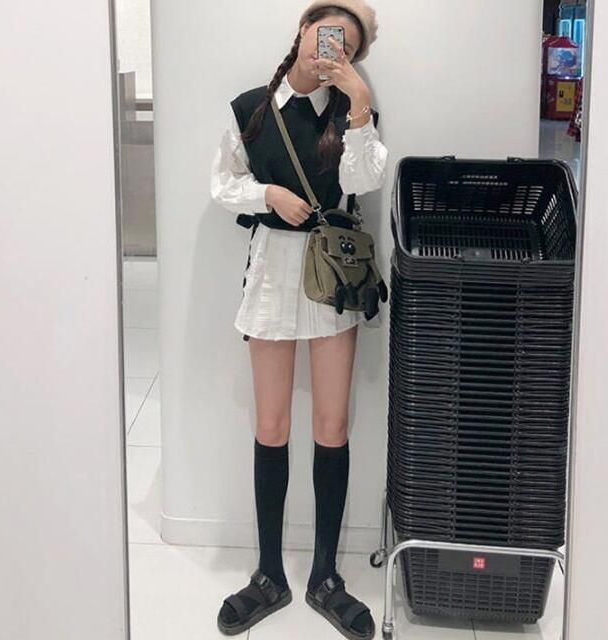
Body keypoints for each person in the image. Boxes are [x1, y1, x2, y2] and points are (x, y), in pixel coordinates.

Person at [210, 1, 387, 638]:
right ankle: (268, 575)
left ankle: (325, 577)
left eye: (349, 43)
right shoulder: (251, 108)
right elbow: (222, 182)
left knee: (332, 426)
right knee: (272, 424)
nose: (332, 45)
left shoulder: (352, 111)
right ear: (305, 30)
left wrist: (359, 102)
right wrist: (266, 194)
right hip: (271, 271)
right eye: (326, 30)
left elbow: (362, 179)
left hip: (331, 274)